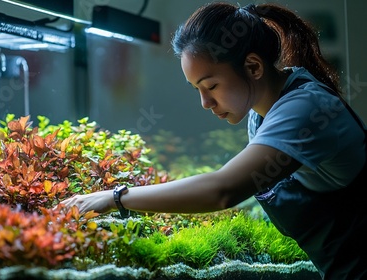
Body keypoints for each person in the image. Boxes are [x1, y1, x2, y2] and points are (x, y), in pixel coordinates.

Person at [61, 2, 367, 279]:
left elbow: (223, 190)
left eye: (211, 85)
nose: (205, 103)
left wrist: (116, 198)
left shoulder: (305, 109)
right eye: (197, 89)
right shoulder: (262, 115)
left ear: (253, 67)